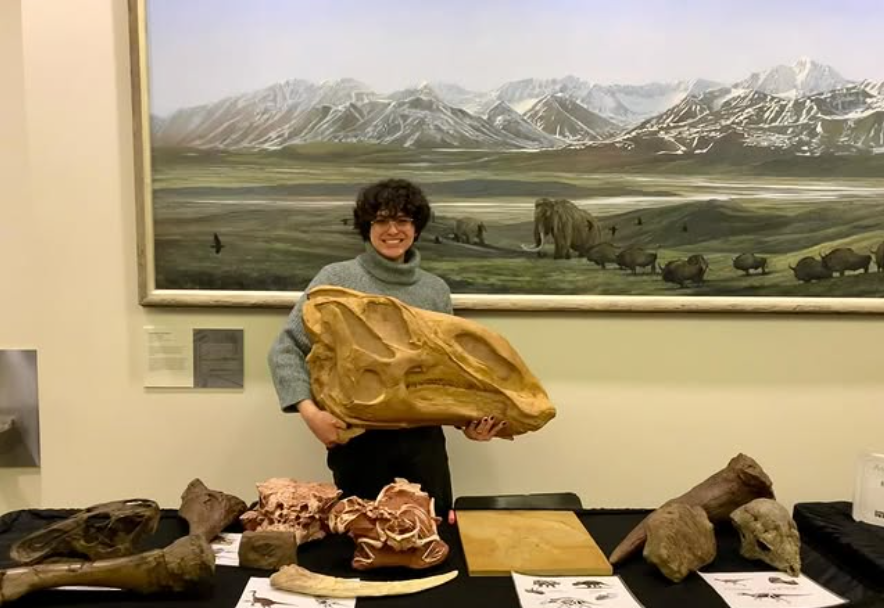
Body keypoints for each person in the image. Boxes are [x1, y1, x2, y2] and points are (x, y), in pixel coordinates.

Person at [268, 178, 507, 517]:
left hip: (425, 446)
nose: (392, 230)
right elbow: (287, 348)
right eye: (381, 220)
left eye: (403, 220)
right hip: (359, 445)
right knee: (363, 536)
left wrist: (469, 421)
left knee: (431, 535)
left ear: (416, 227)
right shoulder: (335, 280)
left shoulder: (435, 290)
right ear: (367, 226)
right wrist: (311, 414)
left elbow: (444, 374)